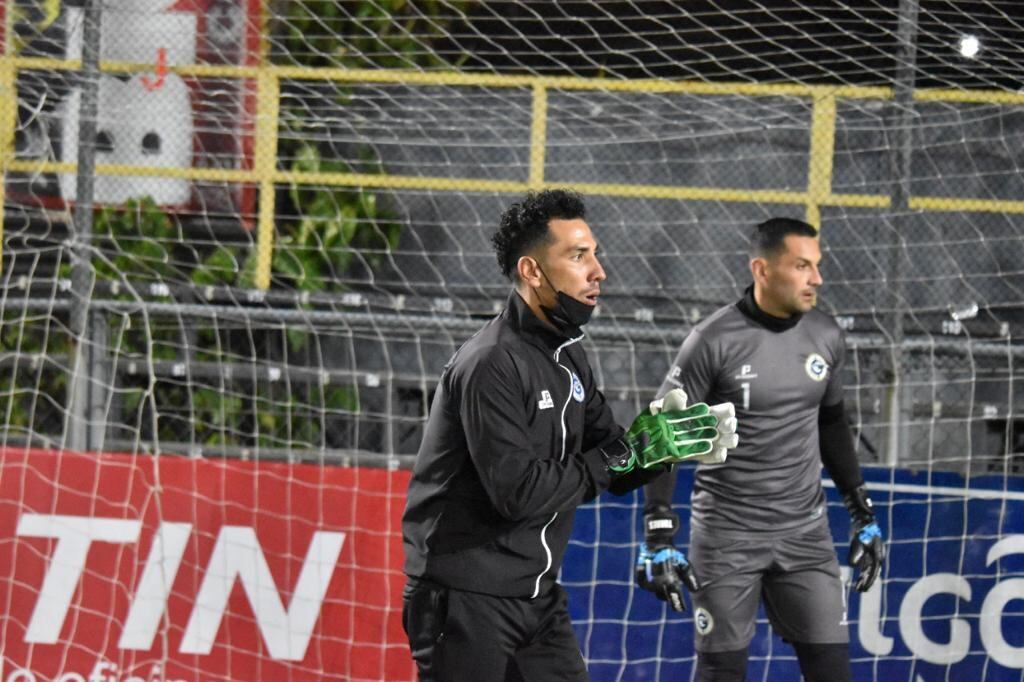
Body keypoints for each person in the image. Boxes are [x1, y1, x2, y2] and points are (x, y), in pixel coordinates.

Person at [401, 188, 736, 681]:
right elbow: (519, 493)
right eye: (578, 256)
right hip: (464, 598)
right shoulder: (490, 363)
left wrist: (660, 447)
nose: (598, 270)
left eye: (594, 254)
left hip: (536, 597)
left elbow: (612, 459)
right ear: (532, 271)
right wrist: (623, 454)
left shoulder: (569, 355)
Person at [636, 217, 885, 682]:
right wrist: (658, 536)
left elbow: (831, 421)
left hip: (806, 534)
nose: (817, 279)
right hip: (728, 535)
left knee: (833, 672)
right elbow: (660, 431)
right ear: (762, 270)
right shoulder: (712, 340)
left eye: (818, 266)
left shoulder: (827, 336)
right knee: (721, 673)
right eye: (802, 266)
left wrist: (862, 510)